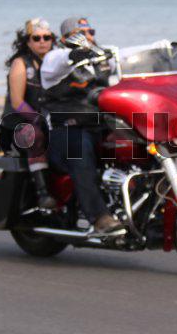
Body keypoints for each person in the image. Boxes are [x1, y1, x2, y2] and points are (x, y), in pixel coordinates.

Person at [40, 17, 123, 233]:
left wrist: (165, 50)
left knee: (144, 139)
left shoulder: (101, 59)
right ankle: (100, 217)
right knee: (79, 149)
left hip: (100, 125)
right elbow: (61, 60)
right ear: (65, 39)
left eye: (90, 32)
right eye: (80, 34)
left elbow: (126, 58)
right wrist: (75, 53)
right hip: (65, 129)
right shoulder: (55, 59)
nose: (88, 37)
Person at [2, 17, 57, 210]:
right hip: (18, 123)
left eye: (47, 37)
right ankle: (43, 193)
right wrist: (40, 121)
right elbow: (17, 102)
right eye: (36, 38)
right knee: (36, 135)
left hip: (46, 119)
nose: (42, 41)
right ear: (27, 41)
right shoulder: (21, 64)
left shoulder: (55, 62)